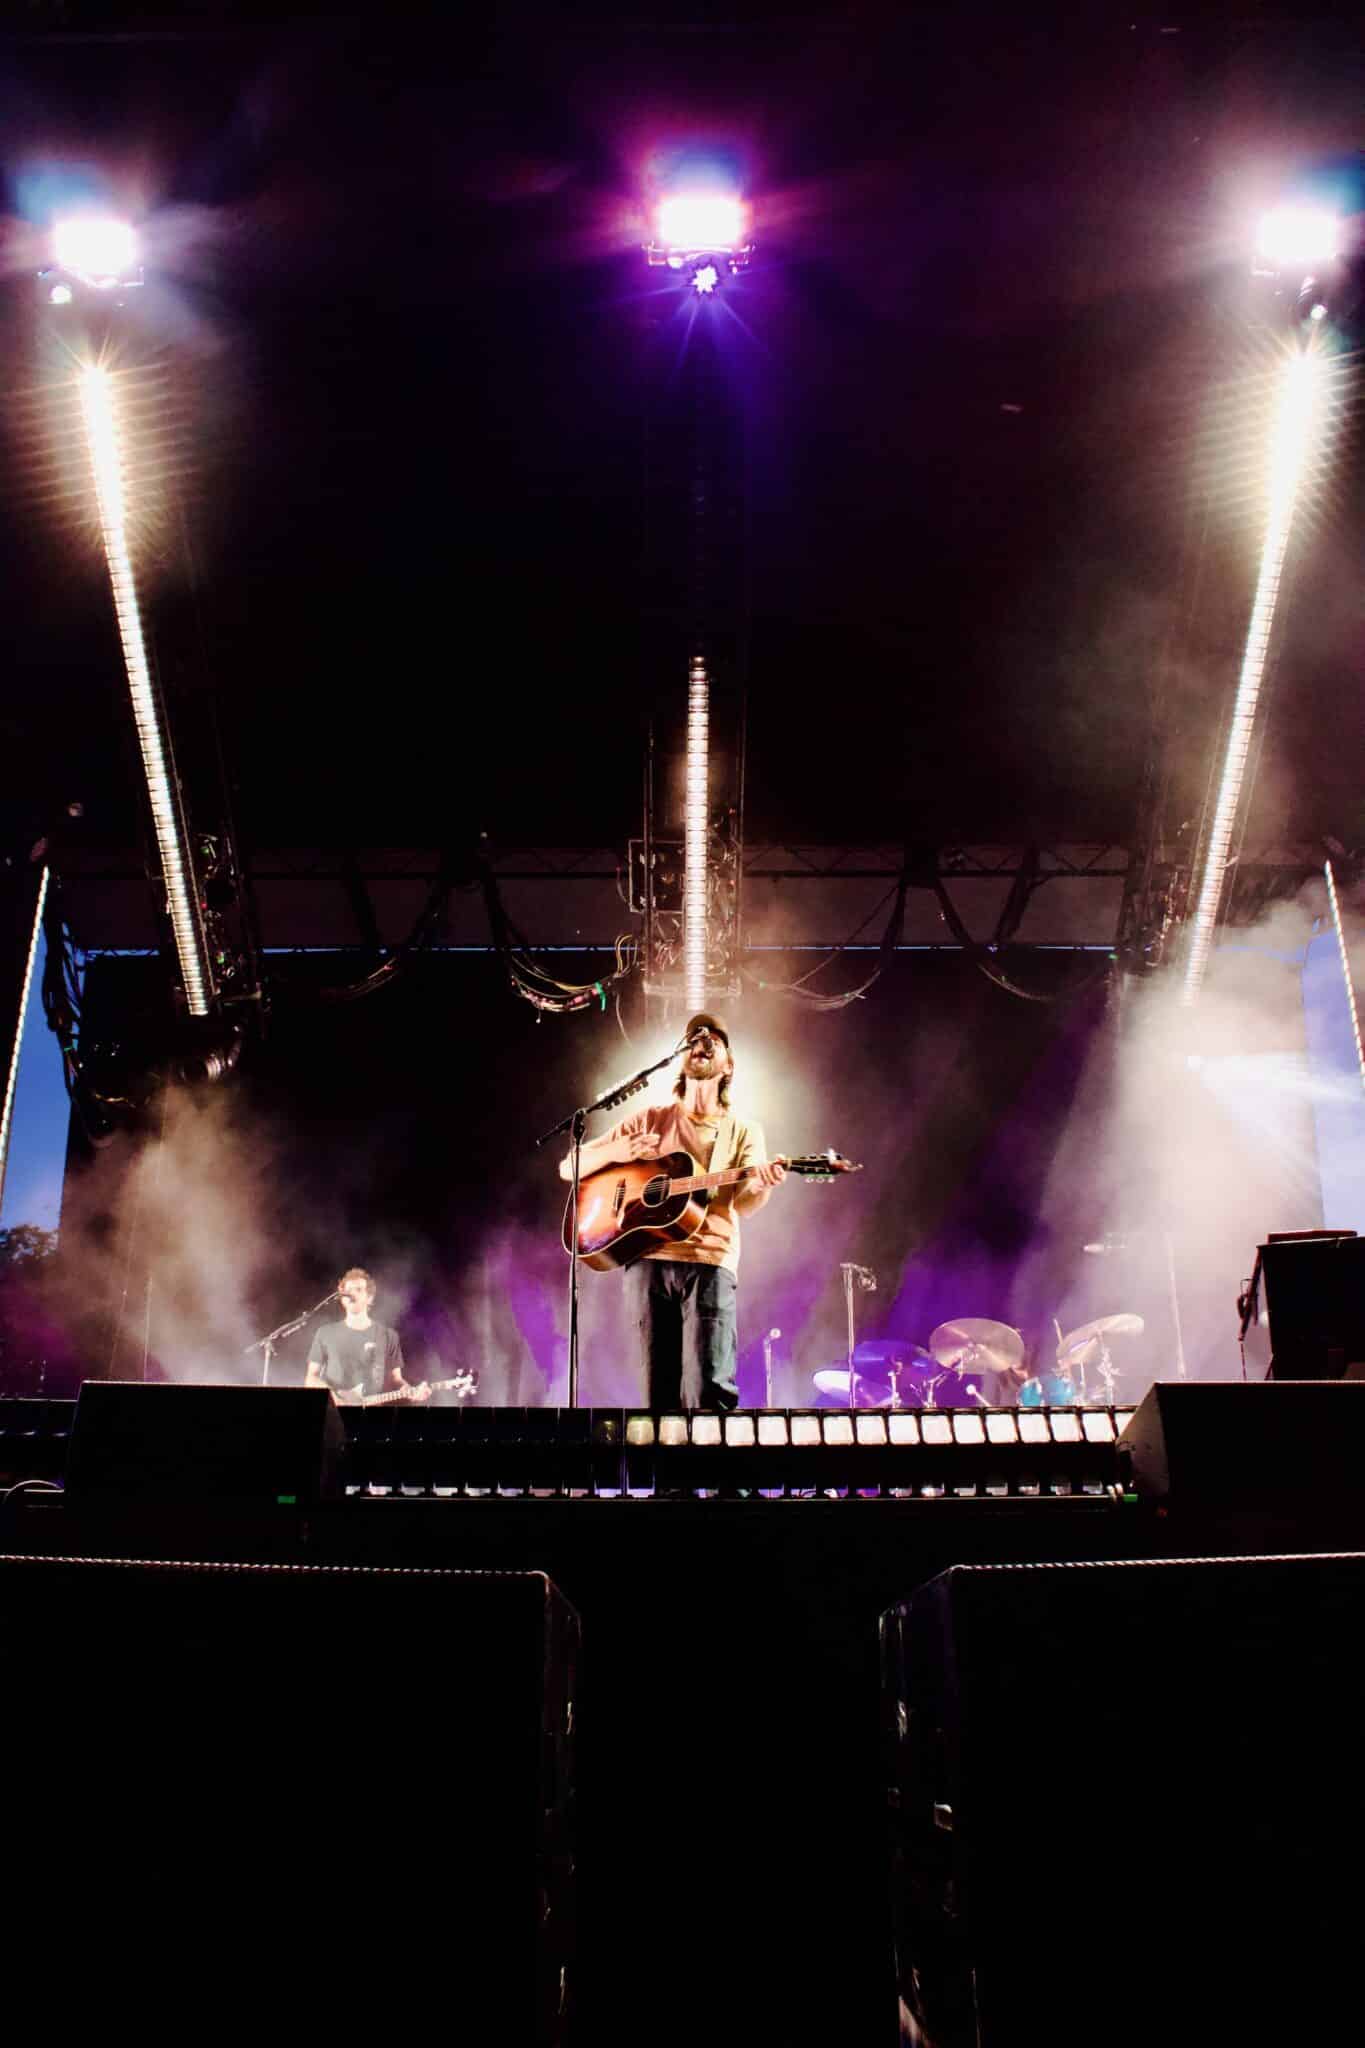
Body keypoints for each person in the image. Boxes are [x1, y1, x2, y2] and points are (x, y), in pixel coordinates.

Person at [560, 1014, 786, 1409]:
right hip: (648, 1260)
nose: (702, 1043)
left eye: (714, 1039)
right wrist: (618, 1151)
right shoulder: (651, 1119)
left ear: (728, 1064)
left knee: (707, 1392)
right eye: (693, 1039)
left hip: (711, 1262)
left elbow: (744, 1203)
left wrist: (762, 1184)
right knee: (657, 1396)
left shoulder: (743, 1131)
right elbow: (570, 1166)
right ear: (681, 1058)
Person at [304, 1268, 429, 1405]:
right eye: (348, 1290)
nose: (352, 1293)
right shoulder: (325, 1333)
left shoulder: (388, 1335)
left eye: (358, 1290)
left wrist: (412, 1392)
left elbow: (396, 1380)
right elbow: (311, 1378)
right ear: (342, 1298)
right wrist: (333, 1396)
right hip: (334, 1412)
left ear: (369, 1297)